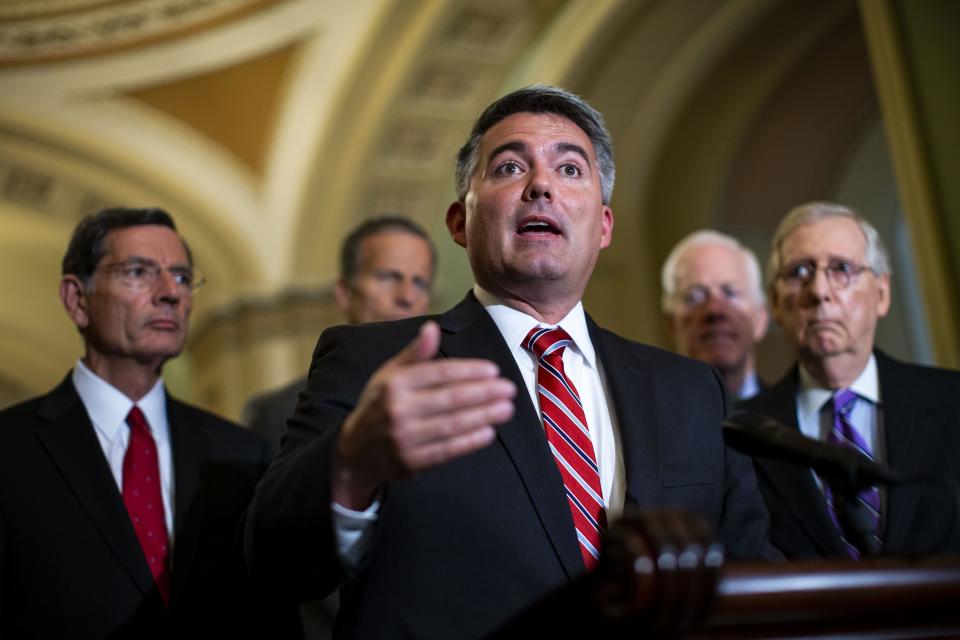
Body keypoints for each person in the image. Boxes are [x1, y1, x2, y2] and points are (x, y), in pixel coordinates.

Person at [243, 85, 772, 639]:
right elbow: (271, 564)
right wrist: (351, 465)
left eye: (570, 170)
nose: (541, 185)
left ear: (605, 226)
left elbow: (752, 580)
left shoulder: (690, 390)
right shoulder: (374, 361)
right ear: (458, 222)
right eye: (510, 167)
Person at [0, 207, 296, 637]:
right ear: (77, 300)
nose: (170, 293)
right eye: (139, 272)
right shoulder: (10, 449)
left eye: (181, 276)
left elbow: (273, 618)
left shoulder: (243, 454)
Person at [740, 201, 960, 559]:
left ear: (882, 293)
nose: (819, 291)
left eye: (841, 269)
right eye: (799, 272)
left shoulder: (952, 401)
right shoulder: (742, 437)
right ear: (777, 304)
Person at [242, 216, 436, 453]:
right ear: (344, 293)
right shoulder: (278, 413)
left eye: (419, 284)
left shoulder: (451, 397)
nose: (407, 297)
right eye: (387, 277)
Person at [661, 230, 769, 399]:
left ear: (761, 319)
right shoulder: (650, 421)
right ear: (671, 324)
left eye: (731, 292)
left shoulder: (791, 420)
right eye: (695, 296)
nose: (714, 310)